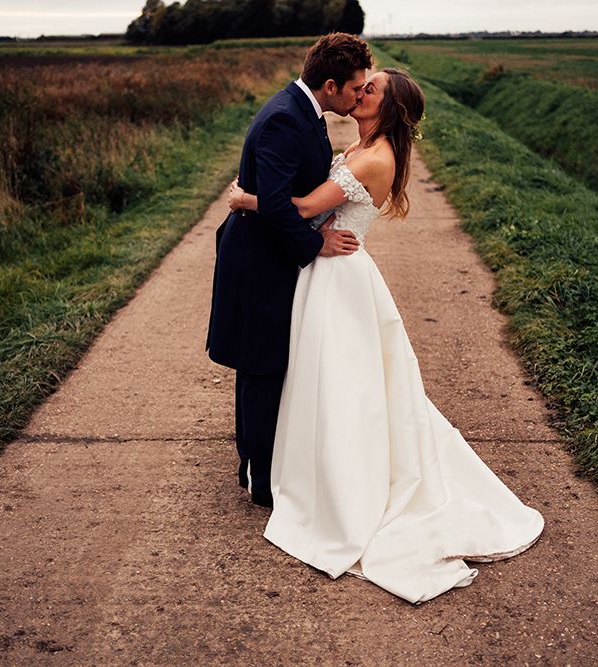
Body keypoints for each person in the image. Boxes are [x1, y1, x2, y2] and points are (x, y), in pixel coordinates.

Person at [227, 68, 545, 604]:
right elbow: (313, 207)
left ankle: (346, 482)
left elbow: (304, 208)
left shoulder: (375, 157)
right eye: (359, 85)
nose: (359, 92)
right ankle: (314, 466)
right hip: (327, 271)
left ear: (387, 108)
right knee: (331, 381)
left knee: (345, 385)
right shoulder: (362, 146)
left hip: (340, 277)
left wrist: (246, 200)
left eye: (369, 89)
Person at [206, 33, 373, 508]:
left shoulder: (305, 111)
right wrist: (317, 245)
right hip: (261, 259)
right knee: (263, 366)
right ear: (330, 83)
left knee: (263, 364)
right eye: (355, 87)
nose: (359, 95)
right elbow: (278, 207)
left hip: (269, 253)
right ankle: (262, 481)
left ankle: (252, 464)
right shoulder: (284, 118)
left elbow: (292, 193)